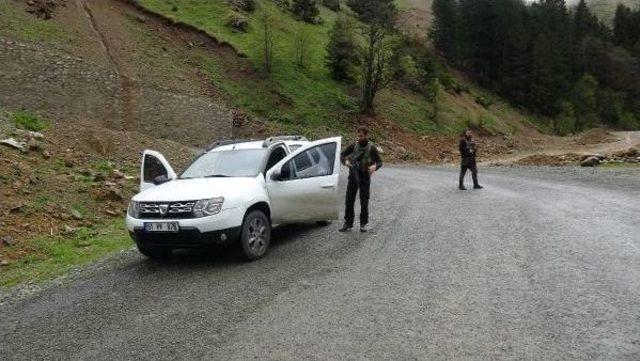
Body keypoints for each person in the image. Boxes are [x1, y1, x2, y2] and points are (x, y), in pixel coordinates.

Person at [339, 126, 383, 232]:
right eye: (358, 135)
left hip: (364, 178)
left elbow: (380, 162)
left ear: (367, 136)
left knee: (364, 201)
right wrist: (345, 162)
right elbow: (342, 154)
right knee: (349, 201)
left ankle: (363, 224)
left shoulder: (371, 148)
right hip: (353, 177)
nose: (359, 138)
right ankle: (348, 223)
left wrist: (374, 167)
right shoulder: (354, 145)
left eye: (361, 136)